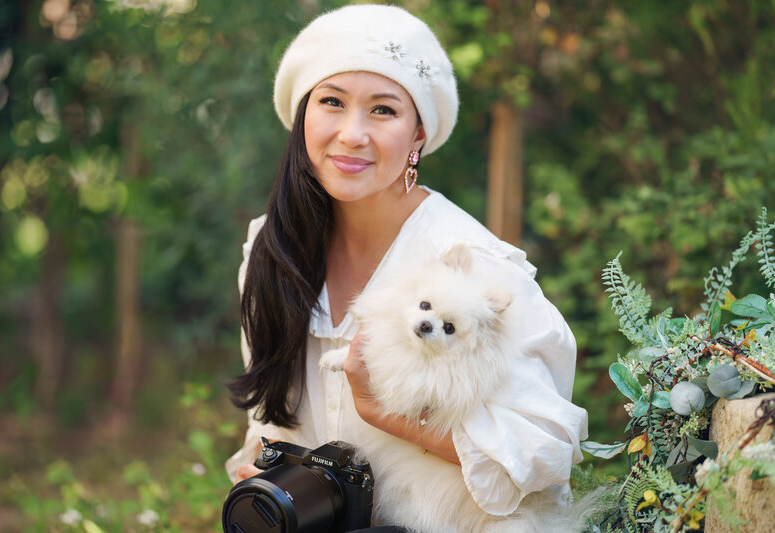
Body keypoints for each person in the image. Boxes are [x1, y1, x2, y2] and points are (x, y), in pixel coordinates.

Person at [225, 3, 589, 530]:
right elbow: (270, 424)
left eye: (383, 110)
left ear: (418, 133)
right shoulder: (270, 250)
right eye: (331, 101)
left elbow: (544, 455)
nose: (352, 133)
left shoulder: (471, 270)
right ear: (304, 113)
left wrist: (386, 411)